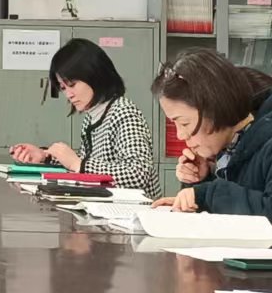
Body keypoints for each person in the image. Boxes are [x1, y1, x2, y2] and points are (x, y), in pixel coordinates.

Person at [151, 50, 272, 237]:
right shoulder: (231, 147)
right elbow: (240, 207)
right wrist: (200, 181)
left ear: (215, 108)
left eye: (184, 123)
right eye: (174, 124)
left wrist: (207, 194)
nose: (180, 135)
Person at [9, 38, 161, 198]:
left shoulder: (124, 113)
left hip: (133, 210)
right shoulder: (93, 116)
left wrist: (79, 164)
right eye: (63, 88)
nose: (68, 94)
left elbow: (138, 174)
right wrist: (45, 156)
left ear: (95, 75)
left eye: (72, 84)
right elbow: (85, 167)